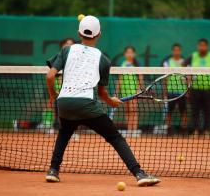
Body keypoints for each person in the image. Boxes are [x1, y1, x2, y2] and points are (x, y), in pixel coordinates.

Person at [45, 16, 160, 186]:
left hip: (64, 103)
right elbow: (101, 92)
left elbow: (50, 75)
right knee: (115, 137)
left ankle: (53, 170)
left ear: (79, 33)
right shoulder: (104, 59)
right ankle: (139, 174)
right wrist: (110, 101)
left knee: (64, 133)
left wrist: (53, 94)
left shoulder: (66, 50)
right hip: (86, 105)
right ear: (99, 34)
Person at [183, 38, 210, 136]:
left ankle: (207, 132)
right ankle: (196, 131)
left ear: (207, 46)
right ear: (198, 46)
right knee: (194, 111)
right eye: (200, 45)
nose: (202, 47)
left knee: (207, 111)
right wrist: (187, 78)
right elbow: (183, 66)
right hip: (195, 89)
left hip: (208, 89)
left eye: (204, 45)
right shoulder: (193, 56)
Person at [115, 46, 143, 137]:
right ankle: (129, 130)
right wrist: (116, 92)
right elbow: (120, 79)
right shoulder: (123, 64)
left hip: (133, 92)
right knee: (127, 111)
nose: (129, 54)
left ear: (134, 54)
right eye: (128, 52)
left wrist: (138, 90)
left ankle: (134, 130)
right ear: (125, 54)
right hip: (124, 91)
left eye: (131, 52)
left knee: (133, 110)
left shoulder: (137, 64)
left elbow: (140, 78)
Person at [162, 43, 187, 135]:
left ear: (180, 51)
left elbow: (187, 77)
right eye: (175, 50)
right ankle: (169, 129)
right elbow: (164, 78)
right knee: (169, 111)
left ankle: (183, 130)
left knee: (183, 111)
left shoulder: (185, 62)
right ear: (172, 51)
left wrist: (188, 90)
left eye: (178, 50)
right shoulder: (167, 63)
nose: (176, 52)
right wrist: (165, 91)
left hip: (182, 92)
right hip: (170, 91)